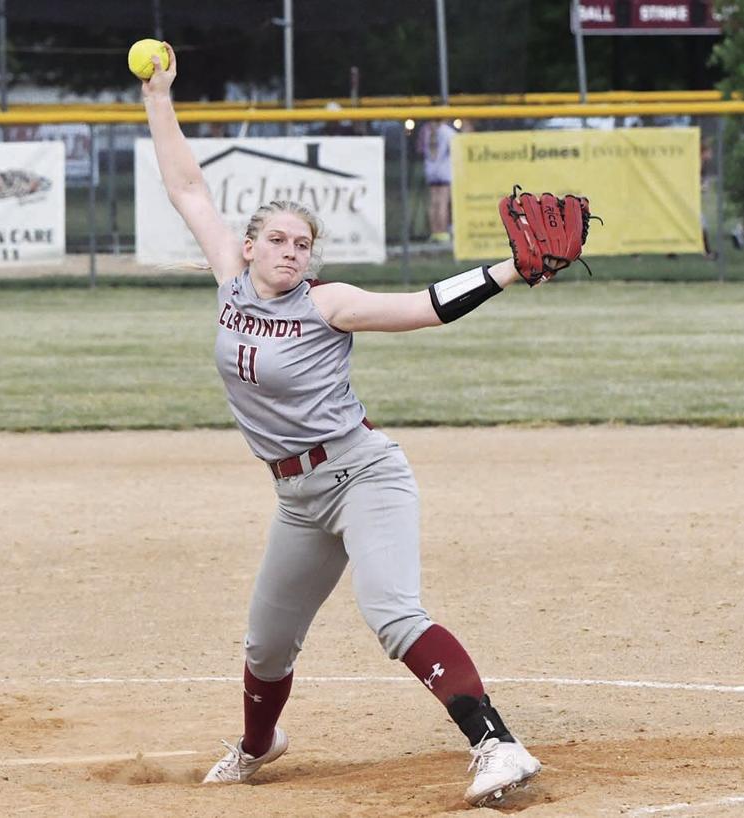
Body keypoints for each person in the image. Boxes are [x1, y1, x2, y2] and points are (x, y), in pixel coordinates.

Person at [141, 44, 544, 808]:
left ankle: (499, 745)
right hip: (298, 499)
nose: (292, 252)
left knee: (391, 611)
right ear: (251, 244)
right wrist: (160, 97)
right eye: (280, 241)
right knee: (265, 644)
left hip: (362, 475)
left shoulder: (327, 303)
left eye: (304, 244)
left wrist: (507, 272)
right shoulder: (230, 280)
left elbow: (424, 305)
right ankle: (259, 746)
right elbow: (187, 185)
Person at [420, 118, 457, 244]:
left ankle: (435, 232)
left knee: (433, 202)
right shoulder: (447, 131)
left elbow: (421, 149)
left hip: (431, 169)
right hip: (444, 170)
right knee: (442, 202)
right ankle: (442, 233)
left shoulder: (426, 130)